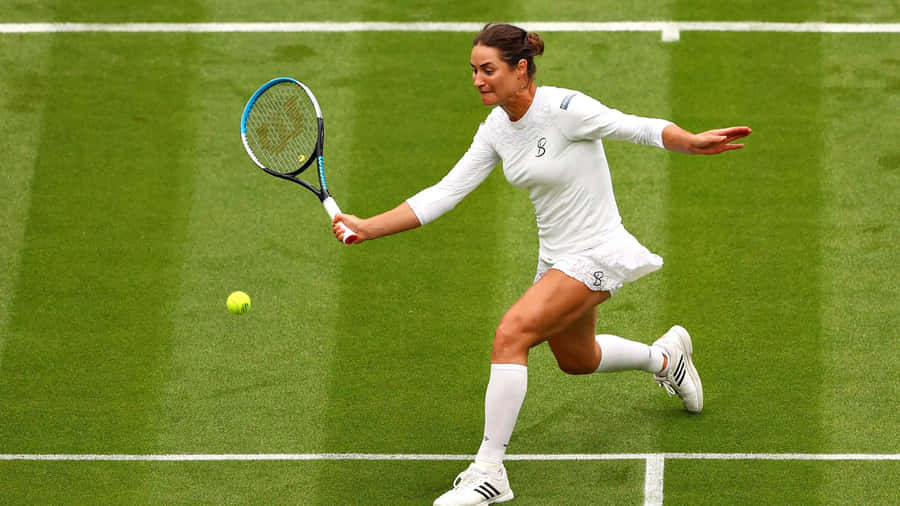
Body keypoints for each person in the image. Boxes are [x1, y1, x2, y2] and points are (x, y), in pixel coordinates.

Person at [332, 22, 751, 506]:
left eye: (488, 70)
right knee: (578, 360)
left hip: (596, 250)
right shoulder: (495, 130)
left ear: (521, 69)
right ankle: (666, 358)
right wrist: (367, 226)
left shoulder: (565, 109)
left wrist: (691, 141)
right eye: (473, 70)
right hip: (555, 257)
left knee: (512, 333)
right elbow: (446, 192)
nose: (477, 80)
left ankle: (489, 471)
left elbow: (634, 126)